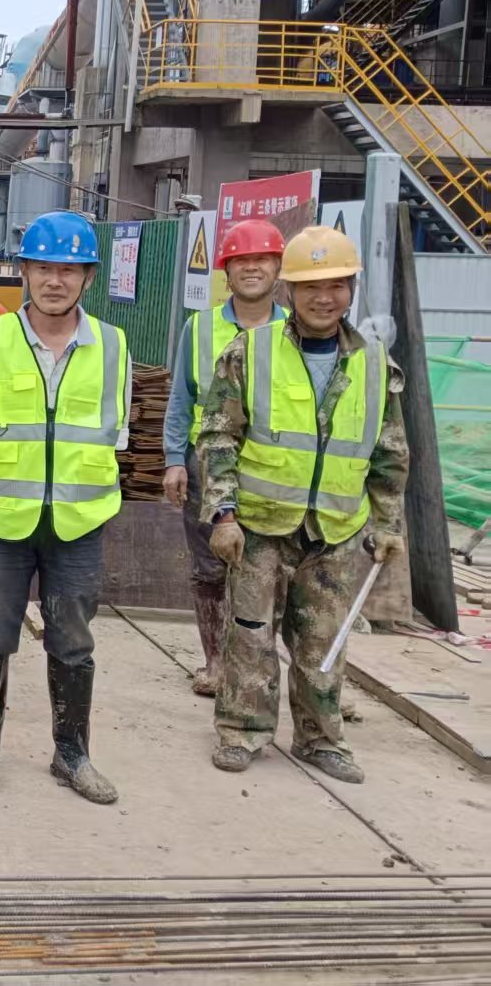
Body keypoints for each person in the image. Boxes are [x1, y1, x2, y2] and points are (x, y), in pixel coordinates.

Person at [197, 226, 408, 783]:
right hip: (259, 526)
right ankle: (242, 731)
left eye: (336, 285)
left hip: (335, 531)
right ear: (288, 291)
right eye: (311, 286)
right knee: (249, 633)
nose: (324, 298)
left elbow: (389, 452)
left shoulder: (374, 364)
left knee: (324, 642)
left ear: (351, 289)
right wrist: (223, 514)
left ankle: (320, 740)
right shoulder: (250, 352)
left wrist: (388, 524)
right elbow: (217, 437)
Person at [0, 210, 131, 804]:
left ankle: (72, 753)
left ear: (88, 277)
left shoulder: (112, 345)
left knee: (73, 640)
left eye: (69, 270)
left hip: (79, 521)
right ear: (23, 271)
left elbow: (116, 433)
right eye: (44, 267)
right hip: (2, 521)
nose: (55, 280)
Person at [160, 219, 287, 696]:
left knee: (270, 573)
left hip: (273, 468)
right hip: (207, 466)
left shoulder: (295, 330)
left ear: (278, 268)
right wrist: (175, 459)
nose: (252, 268)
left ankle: (257, 665)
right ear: (226, 272)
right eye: (241, 261)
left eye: (262, 259)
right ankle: (215, 662)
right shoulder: (200, 327)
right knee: (210, 569)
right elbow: (181, 399)